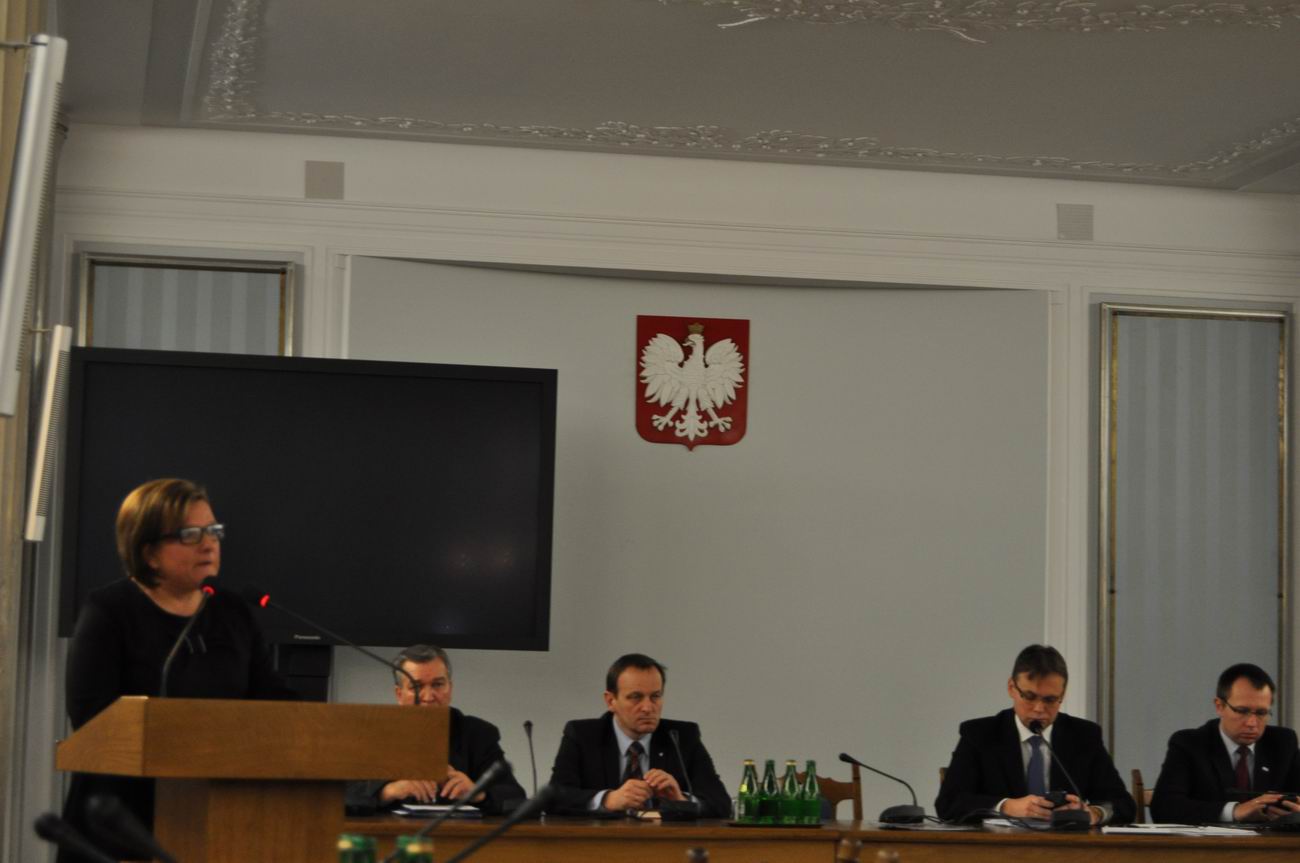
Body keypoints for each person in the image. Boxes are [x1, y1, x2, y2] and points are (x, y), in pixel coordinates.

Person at [60, 478, 296, 863]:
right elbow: (91, 718)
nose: (209, 544)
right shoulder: (110, 611)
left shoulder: (232, 613)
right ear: (149, 552)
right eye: (190, 535)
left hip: (216, 817)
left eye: (213, 531)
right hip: (119, 822)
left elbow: (270, 700)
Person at [935, 644, 1135, 825]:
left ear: (1063, 695)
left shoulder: (1084, 736)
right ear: (1012, 688)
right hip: (998, 847)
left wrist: (1094, 813)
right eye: (1029, 697)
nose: (1039, 709)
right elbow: (949, 803)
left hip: (1066, 847)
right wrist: (1006, 806)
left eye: (1050, 700)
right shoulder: (980, 734)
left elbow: (1123, 804)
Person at [345, 644, 526, 814]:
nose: (428, 697)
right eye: (417, 687)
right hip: (389, 834)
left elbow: (516, 800)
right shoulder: (371, 733)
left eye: (437, 685)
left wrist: (478, 793)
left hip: (457, 833)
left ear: (450, 688)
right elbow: (339, 796)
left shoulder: (478, 734)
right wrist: (389, 791)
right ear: (399, 694)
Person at [547, 653, 731, 817]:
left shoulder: (681, 737)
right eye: (636, 697)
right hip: (599, 842)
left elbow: (722, 804)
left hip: (663, 842)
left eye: (655, 696)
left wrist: (681, 800)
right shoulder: (583, 735)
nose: (647, 707)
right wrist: (608, 799)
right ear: (611, 701)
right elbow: (554, 798)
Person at [1150, 663, 1300, 824]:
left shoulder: (1283, 743)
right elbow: (1164, 807)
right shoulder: (1189, 743)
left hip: (1271, 840)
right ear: (1219, 706)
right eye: (1242, 711)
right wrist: (1234, 811)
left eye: (1261, 713)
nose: (1252, 723)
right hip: (1211, 840)